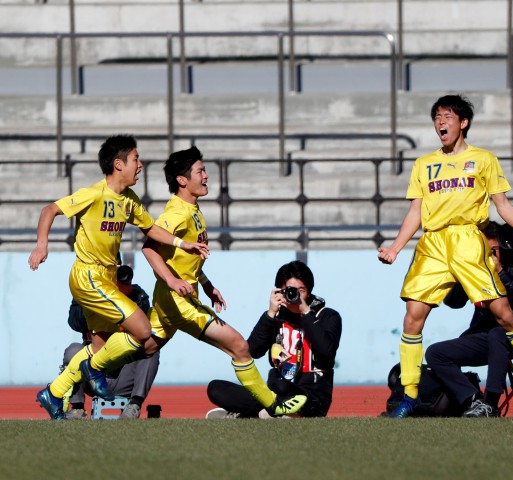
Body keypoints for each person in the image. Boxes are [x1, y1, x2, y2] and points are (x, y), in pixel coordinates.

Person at [377, 94, 513, 418]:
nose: (440, 123)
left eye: (447, 116)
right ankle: (408, 395)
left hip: (467, 239)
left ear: (463, 122)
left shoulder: (483, 159)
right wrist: (395, 247)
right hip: (433, 244)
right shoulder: (424, 165)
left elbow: (502, 204)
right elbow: (415, 212)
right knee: (412, 317)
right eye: (436, 117)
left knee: (505, 315)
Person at [29, 134, 209, 420]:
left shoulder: (129, 199)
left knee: (100, 346)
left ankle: (54, 392)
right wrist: (42, 245)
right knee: (142, 330)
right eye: (136, 159)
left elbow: (150, 229)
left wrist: (181, 243)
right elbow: (49, 210)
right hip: (88, 276)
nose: (140, 165)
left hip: (106, 278)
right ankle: (91, 372)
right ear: (118, 164)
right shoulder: (94, 194)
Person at [140, 146, 307, 417]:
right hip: (180, 302)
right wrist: (171, 281)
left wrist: (206, 284)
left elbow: (183, 259)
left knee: (142, 349)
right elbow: (149, 248)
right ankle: (274, 405)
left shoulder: (193, 210)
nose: (206, 175)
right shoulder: (177, 213)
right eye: (200, 171)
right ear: (182, 180)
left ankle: (82, 371)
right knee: (240, 346)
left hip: (177, 297)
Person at [425, 221, 513, 417]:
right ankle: (474, 401)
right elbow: (454, 302)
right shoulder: (473, 271)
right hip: (490, 338)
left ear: (502, 248)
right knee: (436, 353)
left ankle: (491, 405)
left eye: (492, 250)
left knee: (498, 334)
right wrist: (458, 270)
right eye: (482, 250)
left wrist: (501, 272)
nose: (488, 255)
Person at [206, 260, 342, 419]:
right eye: (290, 291)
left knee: (280, 386)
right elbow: (253, 352)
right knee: (216, 388)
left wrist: (305, 312)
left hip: (311, 399)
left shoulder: (327, 316)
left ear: (310, 292)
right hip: (275, 395)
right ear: (279, 291)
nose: (295, 296)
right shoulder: (276, 317)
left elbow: (326, 352)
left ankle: (246, 416)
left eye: (301, 290)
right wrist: (270, 314)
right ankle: (272, 414)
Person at [62, 264, 160, 420]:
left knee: (151, 349)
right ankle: (78, 408)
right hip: (92, 373)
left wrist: (122, 298)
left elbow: (145, 332)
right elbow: (75, 322)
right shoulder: (86, 291)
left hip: (124, 372)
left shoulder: (137, 296)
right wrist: (96, 301)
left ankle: (135, 404)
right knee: (73, 350)